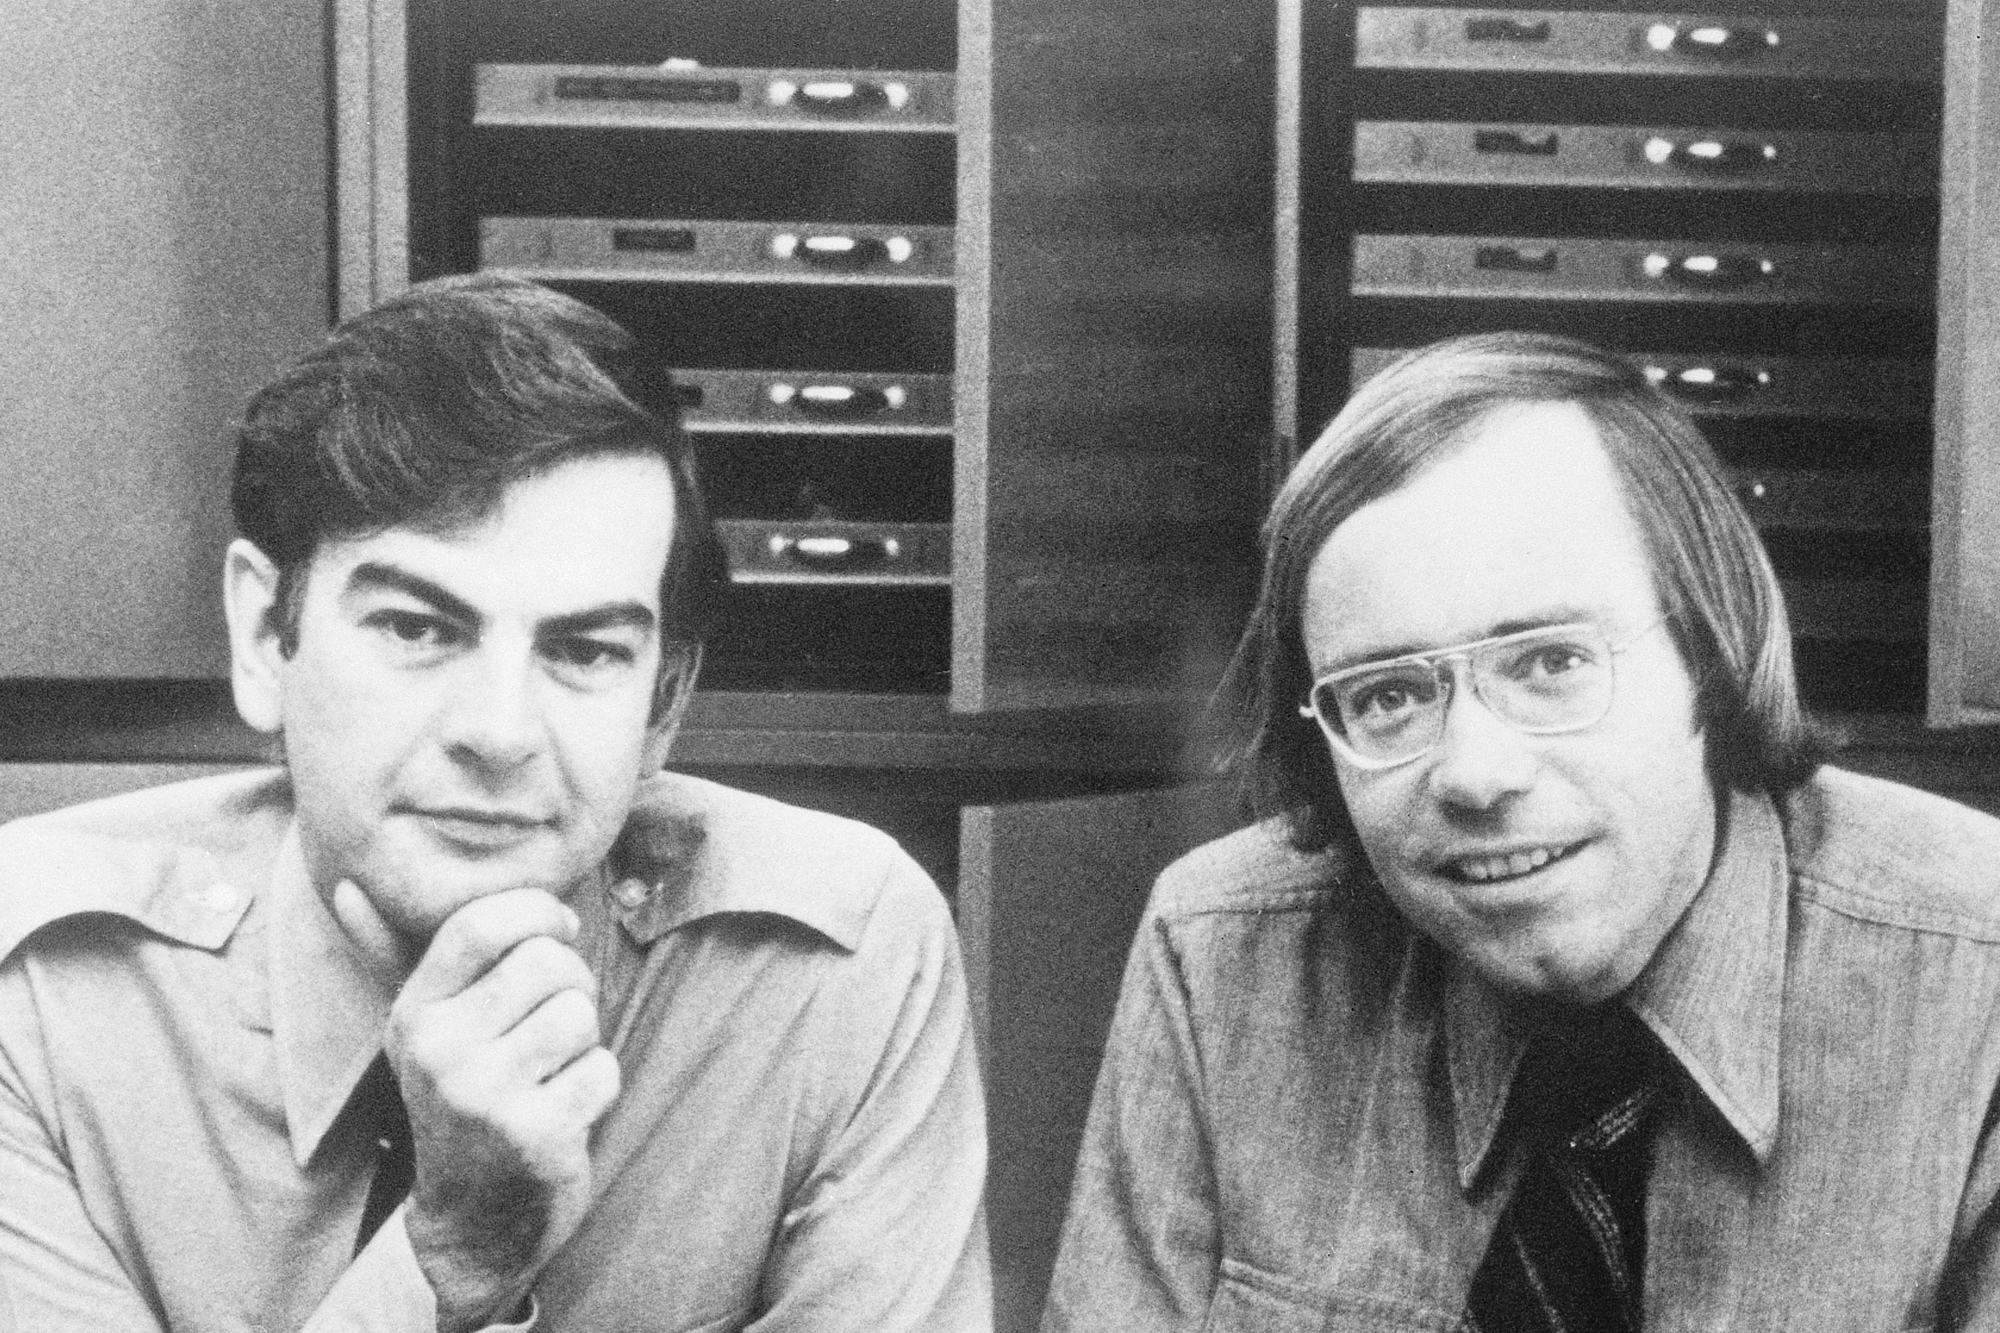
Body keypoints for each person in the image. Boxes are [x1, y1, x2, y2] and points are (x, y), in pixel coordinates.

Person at [0, 274, 989, 1332]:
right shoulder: (43, 998)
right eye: (418, 628)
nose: (501, 729)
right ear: (263, 637)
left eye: (583, 650)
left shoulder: (832, 961)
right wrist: (455, 1254)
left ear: (664, 704)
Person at [1042, 331, 2000, 1331]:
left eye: (1548, 664)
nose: (1473, 772)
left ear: (1710, 649)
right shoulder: (1222, 953)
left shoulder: (1974, 979)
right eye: (1386, 696)